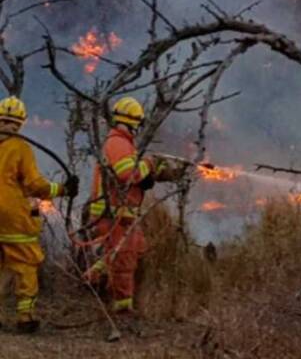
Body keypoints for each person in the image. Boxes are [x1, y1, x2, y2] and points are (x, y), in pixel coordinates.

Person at [86, 96, 181, 332]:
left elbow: (133, 177)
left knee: (136, 249)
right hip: (114, 214)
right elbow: (127, 173)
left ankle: (94, 275)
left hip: (123, 214)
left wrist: (158, 173)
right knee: (125, 261)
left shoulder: (123, 143)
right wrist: (148, 163)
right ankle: (122, 310)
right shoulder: (118, 143)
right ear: (132, 123)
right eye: (137, 124)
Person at [0, 96, 79, 333]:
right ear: (21, 122)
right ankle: (26, 317)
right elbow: (35, 185)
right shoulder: (20, 147)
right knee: (25, 264)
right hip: (13, 217)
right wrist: (63, 189)